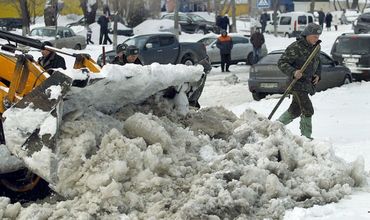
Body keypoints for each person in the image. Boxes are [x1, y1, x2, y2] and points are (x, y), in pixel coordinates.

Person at [276, 23, 322, 140]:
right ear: (307, 35)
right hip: (296, 84)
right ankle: (306, 138)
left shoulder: (316, 47)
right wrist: (294, 72)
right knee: (308, 109)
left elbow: (318, 62)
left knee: (295, 110)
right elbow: (281, 62)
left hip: (306, 85)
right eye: (314, 36)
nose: (317, 39)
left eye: (318, 36)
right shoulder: (296, 47)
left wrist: (318, 74)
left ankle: (275, 127)